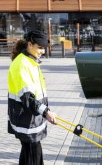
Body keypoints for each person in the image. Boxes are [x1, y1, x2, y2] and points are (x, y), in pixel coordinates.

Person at [7, 30, 57, 165]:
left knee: (29, 155)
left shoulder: (30, 62)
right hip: (26, 119)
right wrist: (46, 112)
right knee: (33, 155)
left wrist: (45, 111)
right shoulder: (22, 64)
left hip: (31, 118)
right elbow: (28, 98)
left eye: (44, 48)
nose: (43, 51)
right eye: (40, 47)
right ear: (30, 44)